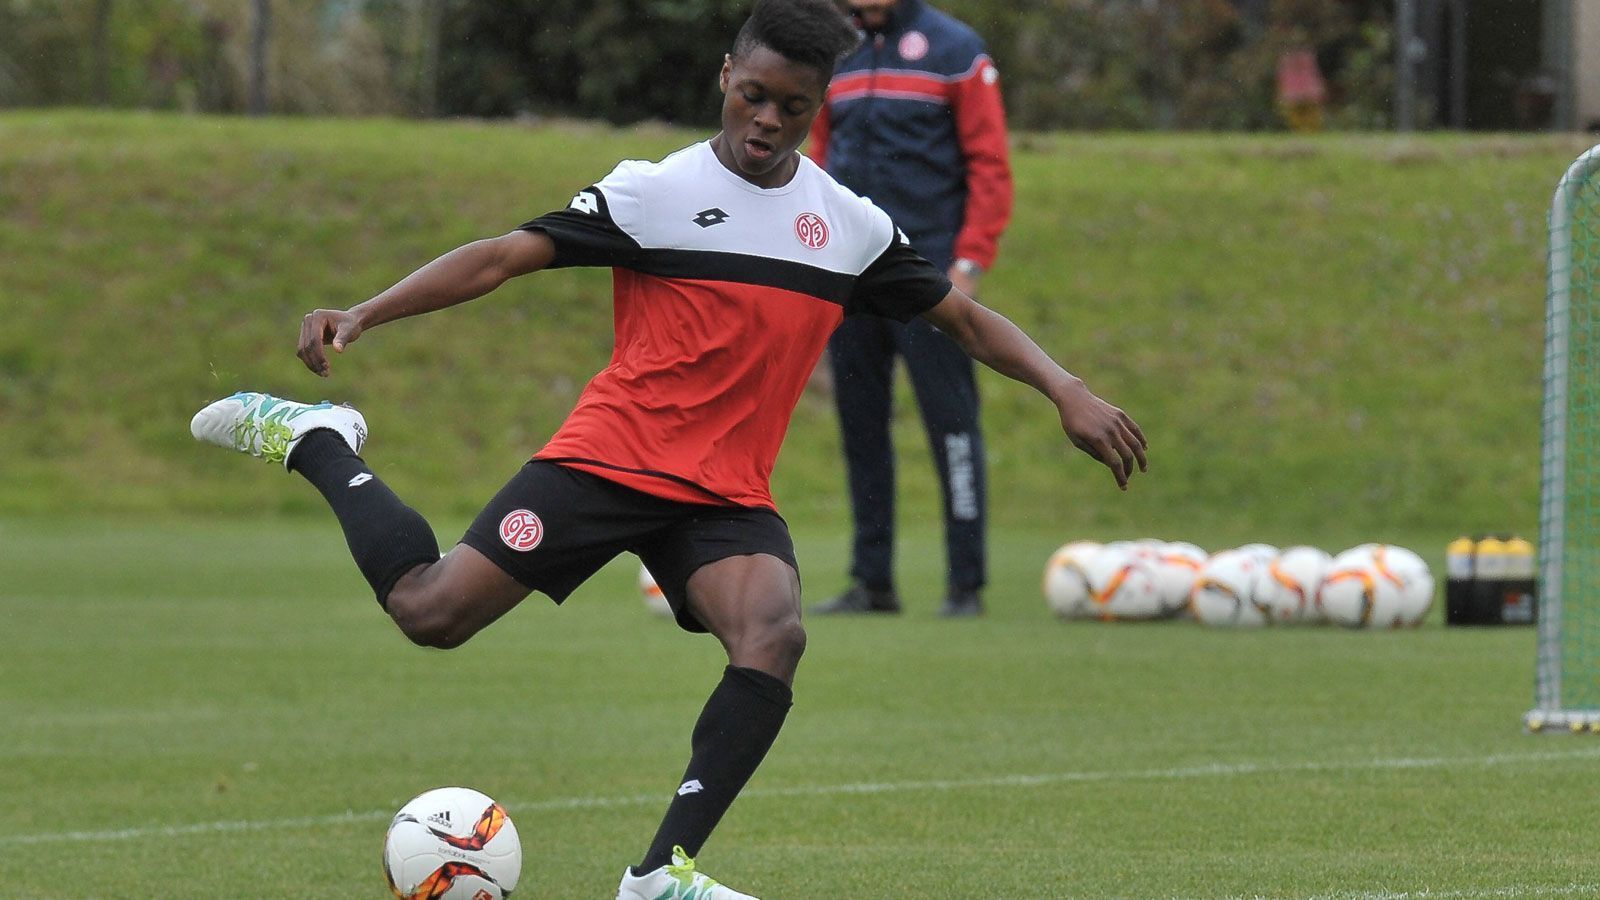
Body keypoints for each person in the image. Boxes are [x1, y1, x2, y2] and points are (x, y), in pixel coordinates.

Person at [189, 0, 1145, 895]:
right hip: (609, 459)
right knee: (431, 611)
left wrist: (1067, 388)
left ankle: (660, 875)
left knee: (773, 631)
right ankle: (318, 442)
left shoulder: (848, 227)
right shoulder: (654, 194)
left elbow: (965, 322)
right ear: (726, 73)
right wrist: (363, 313)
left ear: (819, 110)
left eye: (793, 107)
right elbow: (501, 256)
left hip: (725, 495)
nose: (767, 119)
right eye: (753, 94)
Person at [807, 0, 1013, 618]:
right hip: (852, 279)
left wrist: (969, 265)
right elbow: (816, 159)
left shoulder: (955, 51)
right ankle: (873, 582)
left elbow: (990, 165)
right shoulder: (835, 52)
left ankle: (965, 585)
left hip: (932, 280)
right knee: (861, 430)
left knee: (952, 429)